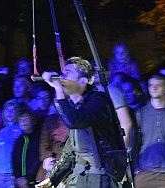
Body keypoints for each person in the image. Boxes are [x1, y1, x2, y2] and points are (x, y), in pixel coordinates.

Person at [35, 56, 124, 188]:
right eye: (63, 73)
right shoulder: (75, 107)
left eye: (68, 73)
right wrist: (53, 178)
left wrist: (58, 90)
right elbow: (70, 151)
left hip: (99, 176)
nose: (62, 77)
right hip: (81, 175)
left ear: (82, 81)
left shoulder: (98, 101)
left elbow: (75, 121)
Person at [0, 100, 24, 188]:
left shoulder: (21, 129)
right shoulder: (1, 132)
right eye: (7, 110)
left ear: (18, 113)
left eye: (12, 110)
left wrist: (17, 172)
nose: (9, 112)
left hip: (12, 173)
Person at [12, 109, 41, 188]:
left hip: (35, 181)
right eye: (20, 120)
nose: (23, 122)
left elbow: (38, 159)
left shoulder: (39, 139)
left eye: (26, 118)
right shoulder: (19, 141)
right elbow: (14, 160)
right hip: (20, 183)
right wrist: (18, 177)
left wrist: (27, 178)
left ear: (33, 120)